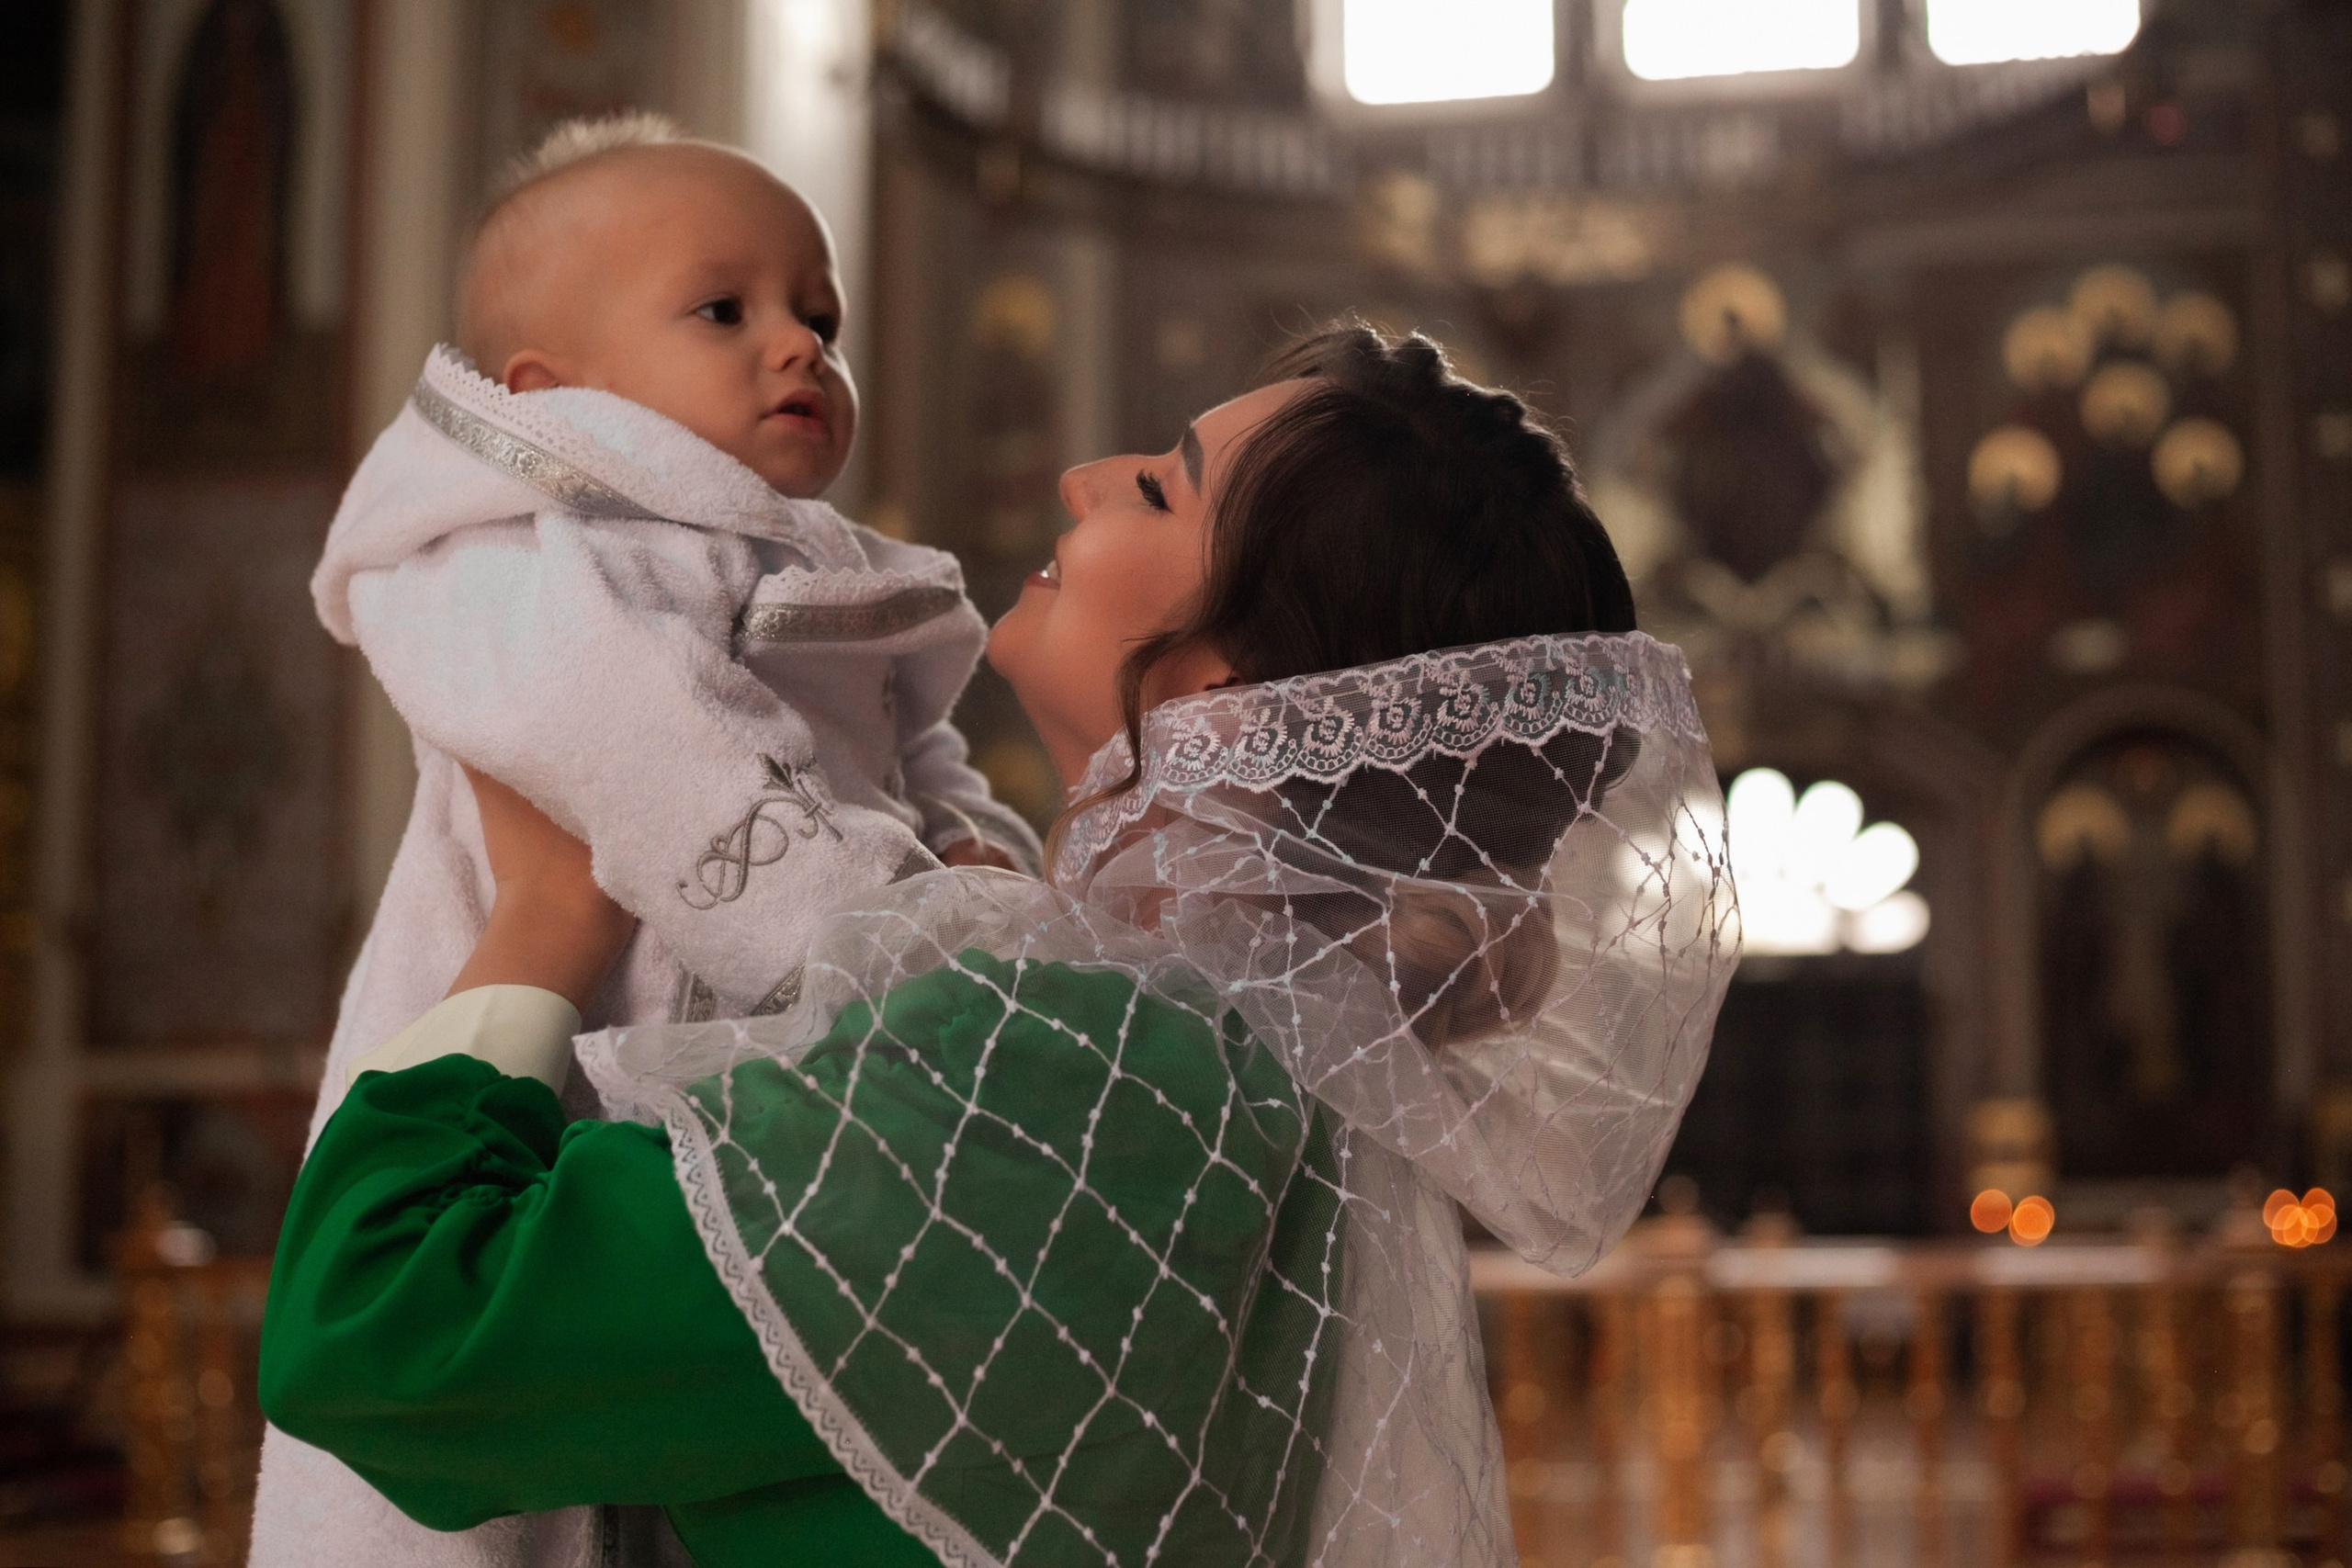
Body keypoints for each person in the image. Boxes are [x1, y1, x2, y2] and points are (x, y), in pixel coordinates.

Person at [260, 327, 1739, 1567]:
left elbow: (383, 1329)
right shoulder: (1257, 1068)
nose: (1082, 476)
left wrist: (541, 924)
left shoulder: (1096, 1072)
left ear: (1230, 689)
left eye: (1159, 489)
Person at [250, 113, 1037, 1568]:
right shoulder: (501, 547)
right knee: (519, 1485)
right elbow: (605, 721)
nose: (800, 344)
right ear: (556, 399)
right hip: (551, 1048)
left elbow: (930, 759)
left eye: (820, 314)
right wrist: (871, 941)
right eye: (725, 310)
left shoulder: (830, 577)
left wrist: (984, 878)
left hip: (790, 1094)